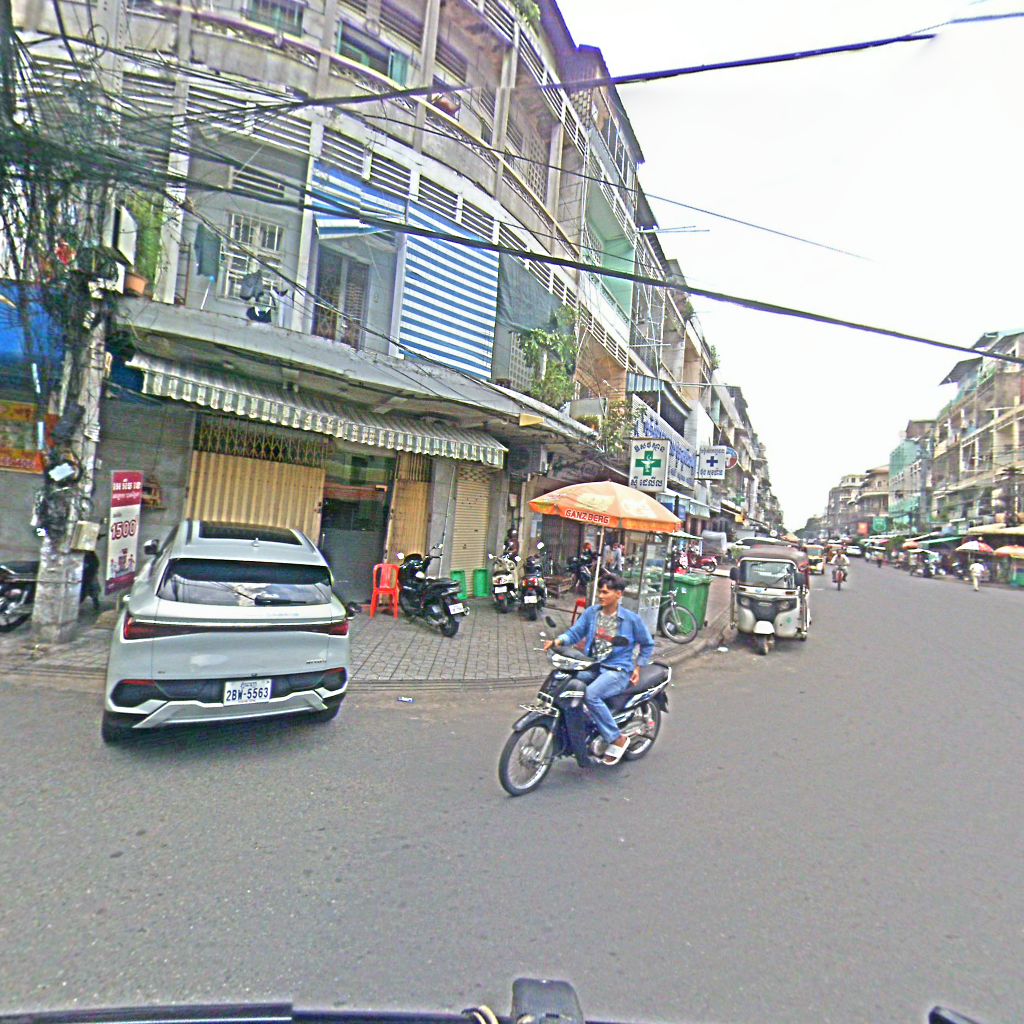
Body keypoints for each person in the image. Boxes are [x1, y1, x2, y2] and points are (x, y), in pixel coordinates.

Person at [543, 574, 655, 766]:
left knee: (591, 694)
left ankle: (617, 738)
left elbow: (647, 644)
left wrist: (638, 666)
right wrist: (558, 641)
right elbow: (575, 632)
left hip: (618, 670)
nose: (601, 596)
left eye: (605, 592)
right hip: (594, 665)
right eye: (600, 592)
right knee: (565, 682)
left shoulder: (631, 620)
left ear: (618, 594)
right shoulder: (592, 613)